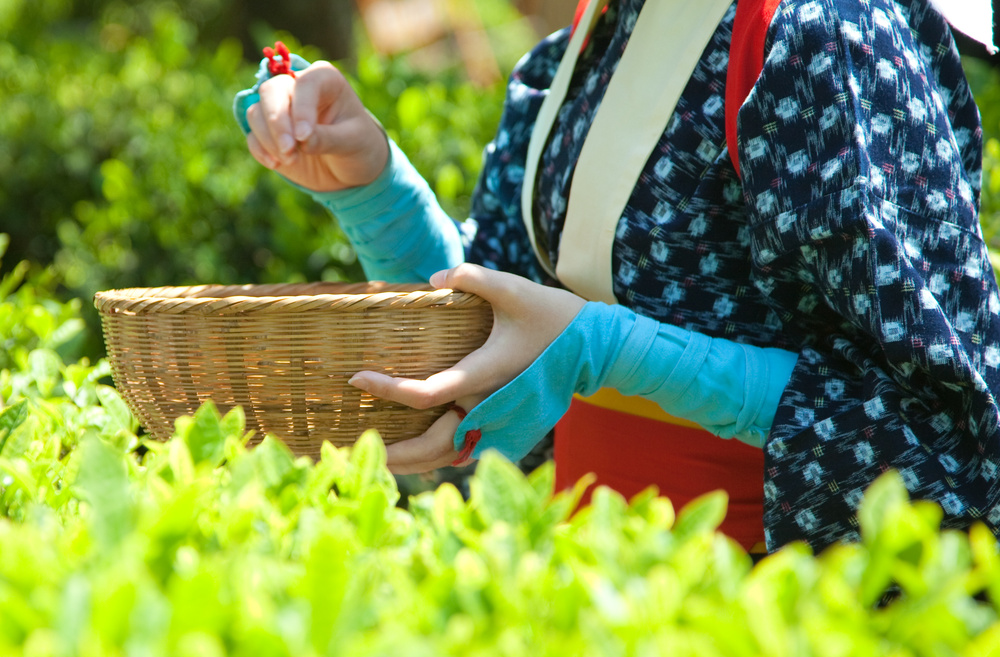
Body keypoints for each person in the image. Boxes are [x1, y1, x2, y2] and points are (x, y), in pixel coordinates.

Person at [234, 0, 1000, 553]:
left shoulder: (824, 34)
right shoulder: (597, 35)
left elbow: (951, 441)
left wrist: (613, 351)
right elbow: (499, 338)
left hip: (772, 636)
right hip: (601, 598)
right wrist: (374, 189)